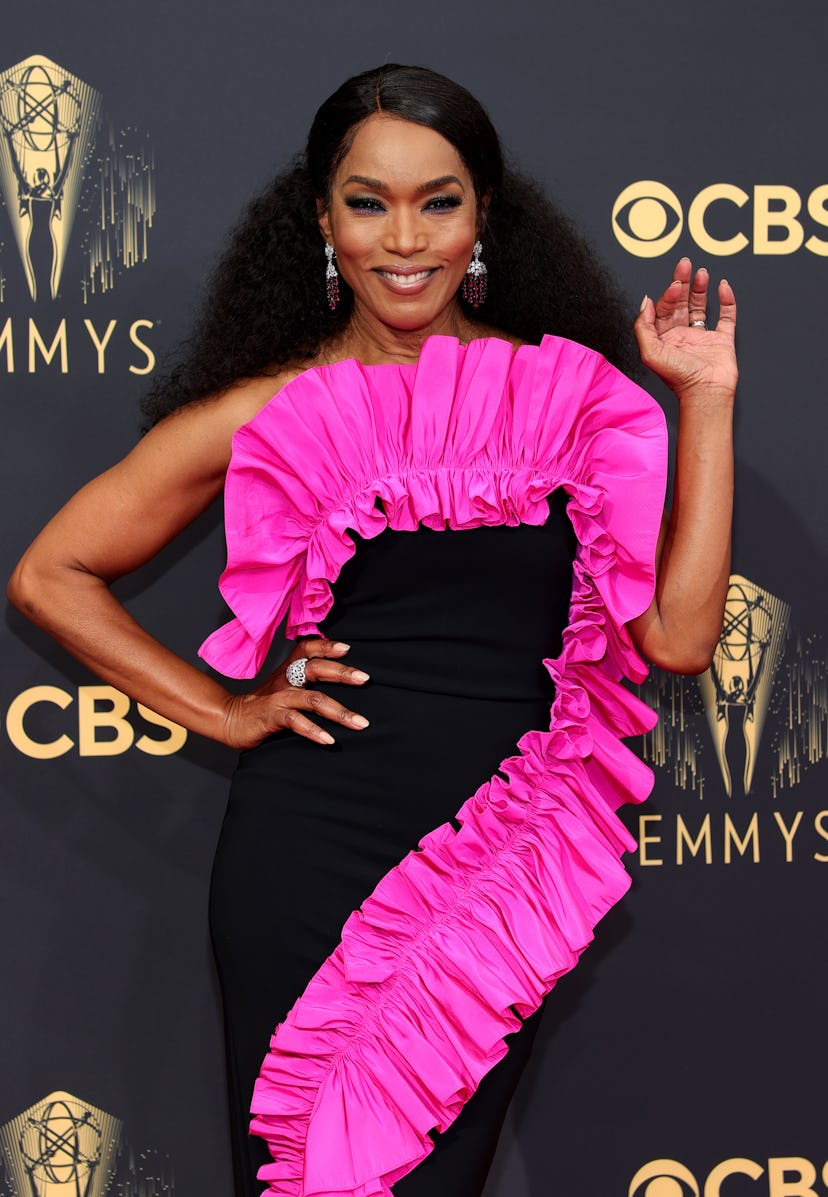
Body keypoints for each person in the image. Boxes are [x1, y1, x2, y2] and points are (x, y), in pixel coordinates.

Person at [7, 64, 736, 1197]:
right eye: (368, 200)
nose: (406, 238)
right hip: (310, 854)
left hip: (501, 861)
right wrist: (225, 708)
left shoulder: (574, 401)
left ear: (483, 216)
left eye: (439, 201)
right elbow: (53, 573)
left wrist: (707, 402)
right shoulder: (275, 406)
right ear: (321, 218)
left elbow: (680, 642)